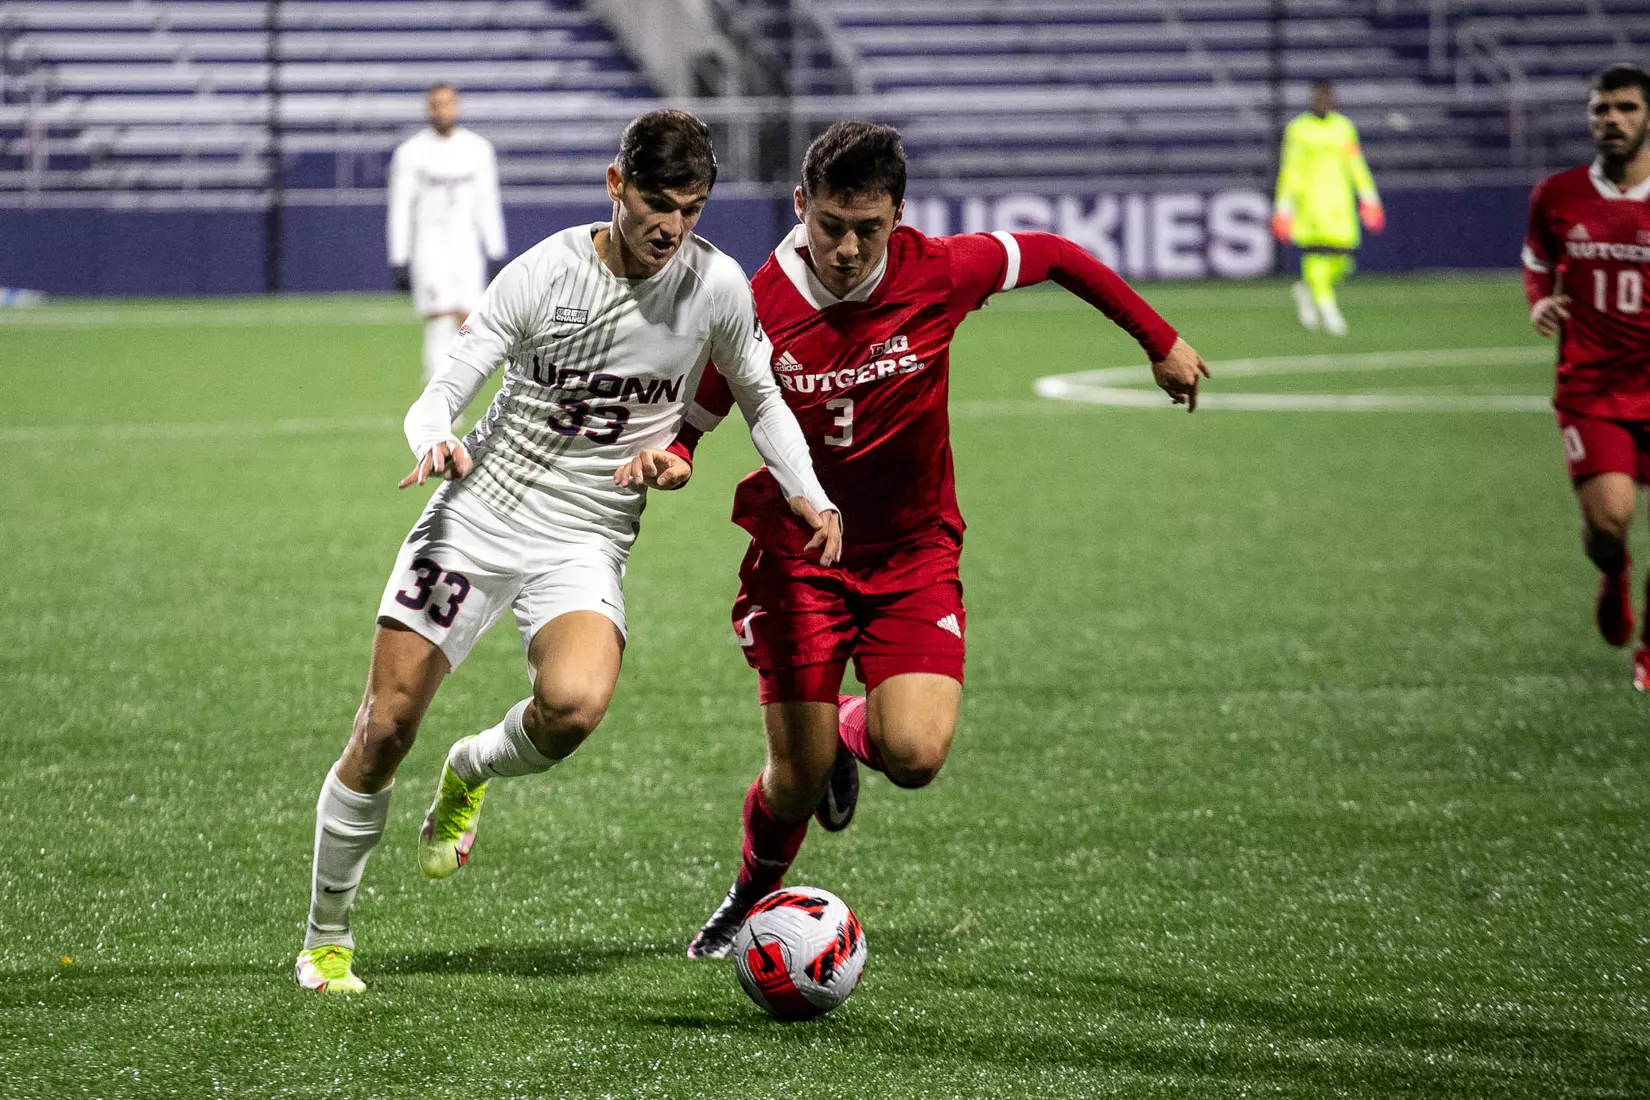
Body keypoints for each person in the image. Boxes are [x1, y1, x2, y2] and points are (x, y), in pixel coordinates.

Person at [612, 121, 1209, 958]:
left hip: (913, 551)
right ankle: (752, 895)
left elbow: (1057, 255)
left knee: (918, 754)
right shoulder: (752, 305)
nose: (848, 248)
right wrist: (674, 459)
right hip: (800, 561)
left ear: (899, 215)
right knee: (795, 780)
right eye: (830, 226)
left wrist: (1160, 339)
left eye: (869, 228)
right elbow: (696, 421)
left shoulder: (941, 270)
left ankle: (851, 728)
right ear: (800, 207)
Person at [295, 109, 842, 994]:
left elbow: (763, 401)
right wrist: (435, 438)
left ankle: (470, 768)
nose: (672, 228)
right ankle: (326, 939)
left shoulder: (715, 287)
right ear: (616, 184)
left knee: (576, 706)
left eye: (692, 210)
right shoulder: (544, 275)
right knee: (386, 724)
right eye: (658, 204)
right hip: (480, 512)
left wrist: (808, 492)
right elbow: (444, 390)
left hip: (586, 533)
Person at [1524, 63, 1650, 691]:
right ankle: (1614, 571)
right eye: (1602, 109)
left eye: (1626, 108)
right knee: (1609, 521)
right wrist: (1540, 300)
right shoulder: (1558, 193)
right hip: (1592, 389)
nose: (1613, 120)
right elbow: (1536, 260)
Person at [387, 83, 508, 383]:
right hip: (429, 247)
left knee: (470, 322)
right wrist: (399, 256)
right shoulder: (412, 152)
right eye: (436, 104)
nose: (443, 110)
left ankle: (462, 391)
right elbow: (400, 206)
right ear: (429, 109)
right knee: (439, 318)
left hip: (467, 247)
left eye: (448, 103)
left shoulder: (478, 149)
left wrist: (496, 250)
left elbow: (487, 202)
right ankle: (436, 396)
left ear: (457, 106)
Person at [1271, 81, 1384, 336]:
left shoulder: (1343, 128)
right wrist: (1283, 207)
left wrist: (1369, 198)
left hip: (1340, 203)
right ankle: (1328, 311)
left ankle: (1307, 290)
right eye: (1319, 97)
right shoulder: (1299, 129)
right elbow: (1290, 168)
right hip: (1310, 204)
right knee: (1315, 258)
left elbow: (1356, 164)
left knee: (1343, 261)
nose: (1323, 102)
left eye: (1327, 97)